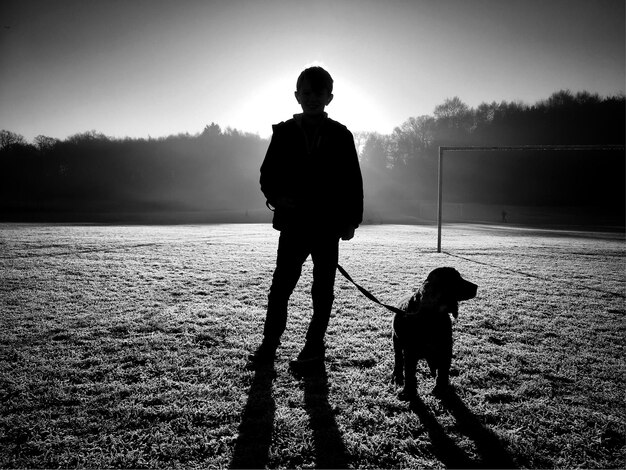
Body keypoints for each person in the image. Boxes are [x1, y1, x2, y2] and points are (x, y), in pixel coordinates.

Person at [248, 66, 364, 371]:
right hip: (294, 224)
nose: (313, 99)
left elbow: (353, 180)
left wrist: (352, 220)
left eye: (319, 94)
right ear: (298, 96)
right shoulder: (284, 131)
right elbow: (267, 174)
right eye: (307, 93)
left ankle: (313, 349)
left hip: (328, 226)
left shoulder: (341, 134)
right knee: (281, 286)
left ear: (330, 97)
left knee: (322, 289)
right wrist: (277, 197)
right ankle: (268, 347)